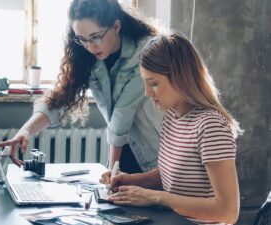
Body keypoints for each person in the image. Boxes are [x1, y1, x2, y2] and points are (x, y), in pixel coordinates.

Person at [0, 0, 162, 174]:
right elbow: (60, 98)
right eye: (82, 39)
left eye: (96, 37)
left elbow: (122, 113)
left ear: (116, 26)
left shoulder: (145, 51)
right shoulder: (85, 54)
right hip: (122, 155)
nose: (90, 47)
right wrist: (25, 131)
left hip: (154, 158)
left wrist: (112, 176)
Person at [100, 32, 243, 224]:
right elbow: (172, 173)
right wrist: (131, 180)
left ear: (179, 77)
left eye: (154, 84)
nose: (147, 92)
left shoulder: (211, 126)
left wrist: (155, 197)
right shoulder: (171, 117)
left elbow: (227, 212)